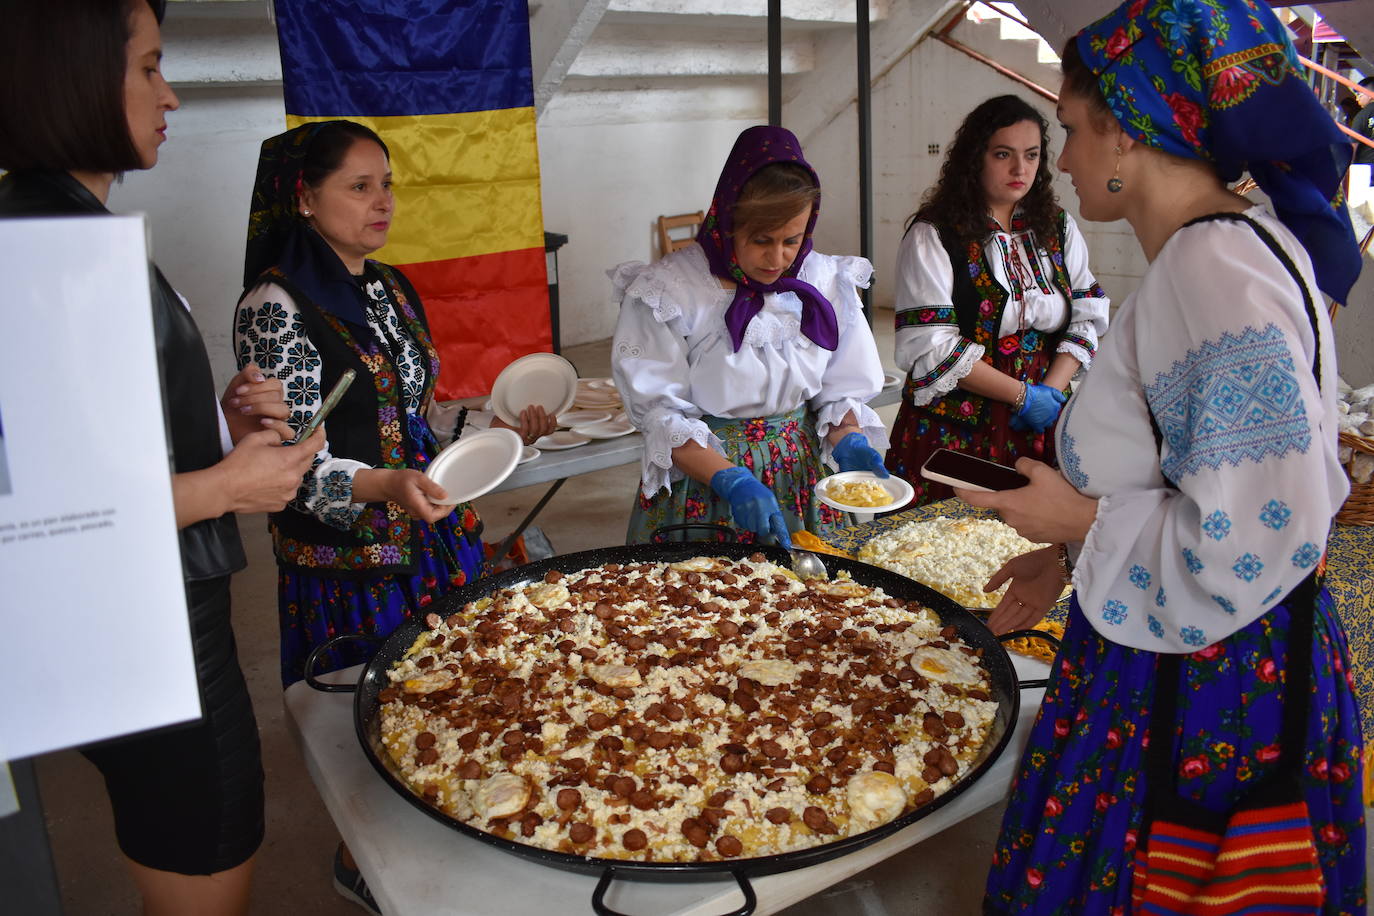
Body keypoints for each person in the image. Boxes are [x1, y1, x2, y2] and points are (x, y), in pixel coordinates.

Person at [970, 1, 1366, 911]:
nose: (1061, 162)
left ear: (1127, 128)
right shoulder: (1233, 245)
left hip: (1210, 683)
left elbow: (1272, 520)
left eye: (1070, 131)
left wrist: (1083, 518)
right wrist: (1070, 552)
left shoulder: (1212, 272)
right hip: (1195, 640)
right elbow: (1201, 475)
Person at [0, 1, 322, 913]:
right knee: (203, 841)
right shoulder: (50, 245)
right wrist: (226, 484)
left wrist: (209, 423)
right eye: (147, 68)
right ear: (70, 78)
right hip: (149, 624)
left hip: (140, 612)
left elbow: (82, 442)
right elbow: (36, 511)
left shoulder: (55, 224)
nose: (169, 93)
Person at [235, 119, 554, 692]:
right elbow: (289, 468)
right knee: (374, 709)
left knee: (459, 702)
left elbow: (417, 417)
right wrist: (386, 487)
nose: (382, 201)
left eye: (386, 184)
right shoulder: (275, 305)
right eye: (359, 187)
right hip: (353, 565)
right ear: (305, 198)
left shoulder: (391, 288)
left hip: (432, 533)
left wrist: (500, 431)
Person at [610, 125, 888, 546]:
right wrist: (731, 480)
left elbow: (837, 390)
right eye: (761, 240)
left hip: (802, 475)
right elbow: (660, 416)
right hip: (709, 481)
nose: (777, 258)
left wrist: (848, 436)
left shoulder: (828, 280)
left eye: (791, 241)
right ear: (728, 221)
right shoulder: (672, 290)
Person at [884, 95, 1109, 505]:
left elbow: (1086, 316)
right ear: (976, 158)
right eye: (1003, 154)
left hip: (1043, 415)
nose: (1020, 169)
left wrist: (1051, 393)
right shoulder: (935, 234)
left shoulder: (1055, 227)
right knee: (947, 546)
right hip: (957, 425)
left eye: (1032, 155)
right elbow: (932, 346)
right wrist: (1022, 395)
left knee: (1037, 537)